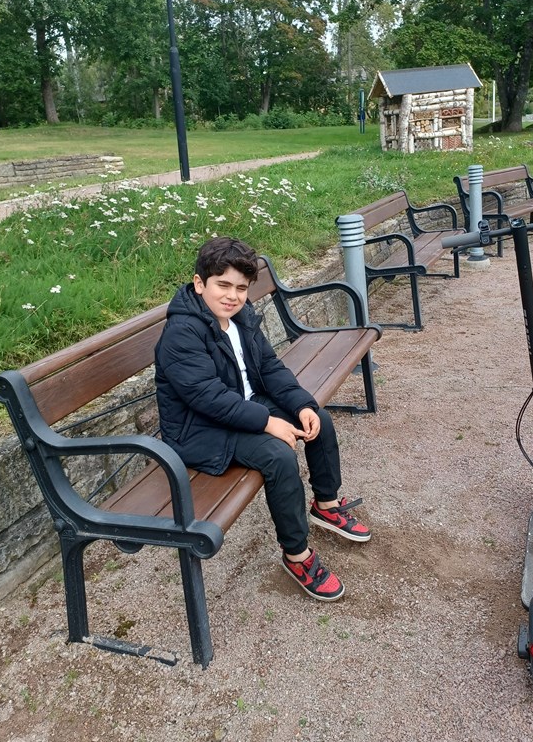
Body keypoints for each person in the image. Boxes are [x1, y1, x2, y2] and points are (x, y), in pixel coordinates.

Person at [154, 236, 371, 602]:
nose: (232, 296)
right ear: (199, 284)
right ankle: (297, 555)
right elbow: (206, 396)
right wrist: (267, 422)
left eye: (241, 288)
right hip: (197, 431)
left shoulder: (240, 318)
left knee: (318, 420)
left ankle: (326, 505)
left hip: (241, 406)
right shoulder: (182, 333)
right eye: (223, 285)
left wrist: (301, 405)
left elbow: (269, 367)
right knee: (278, 455)